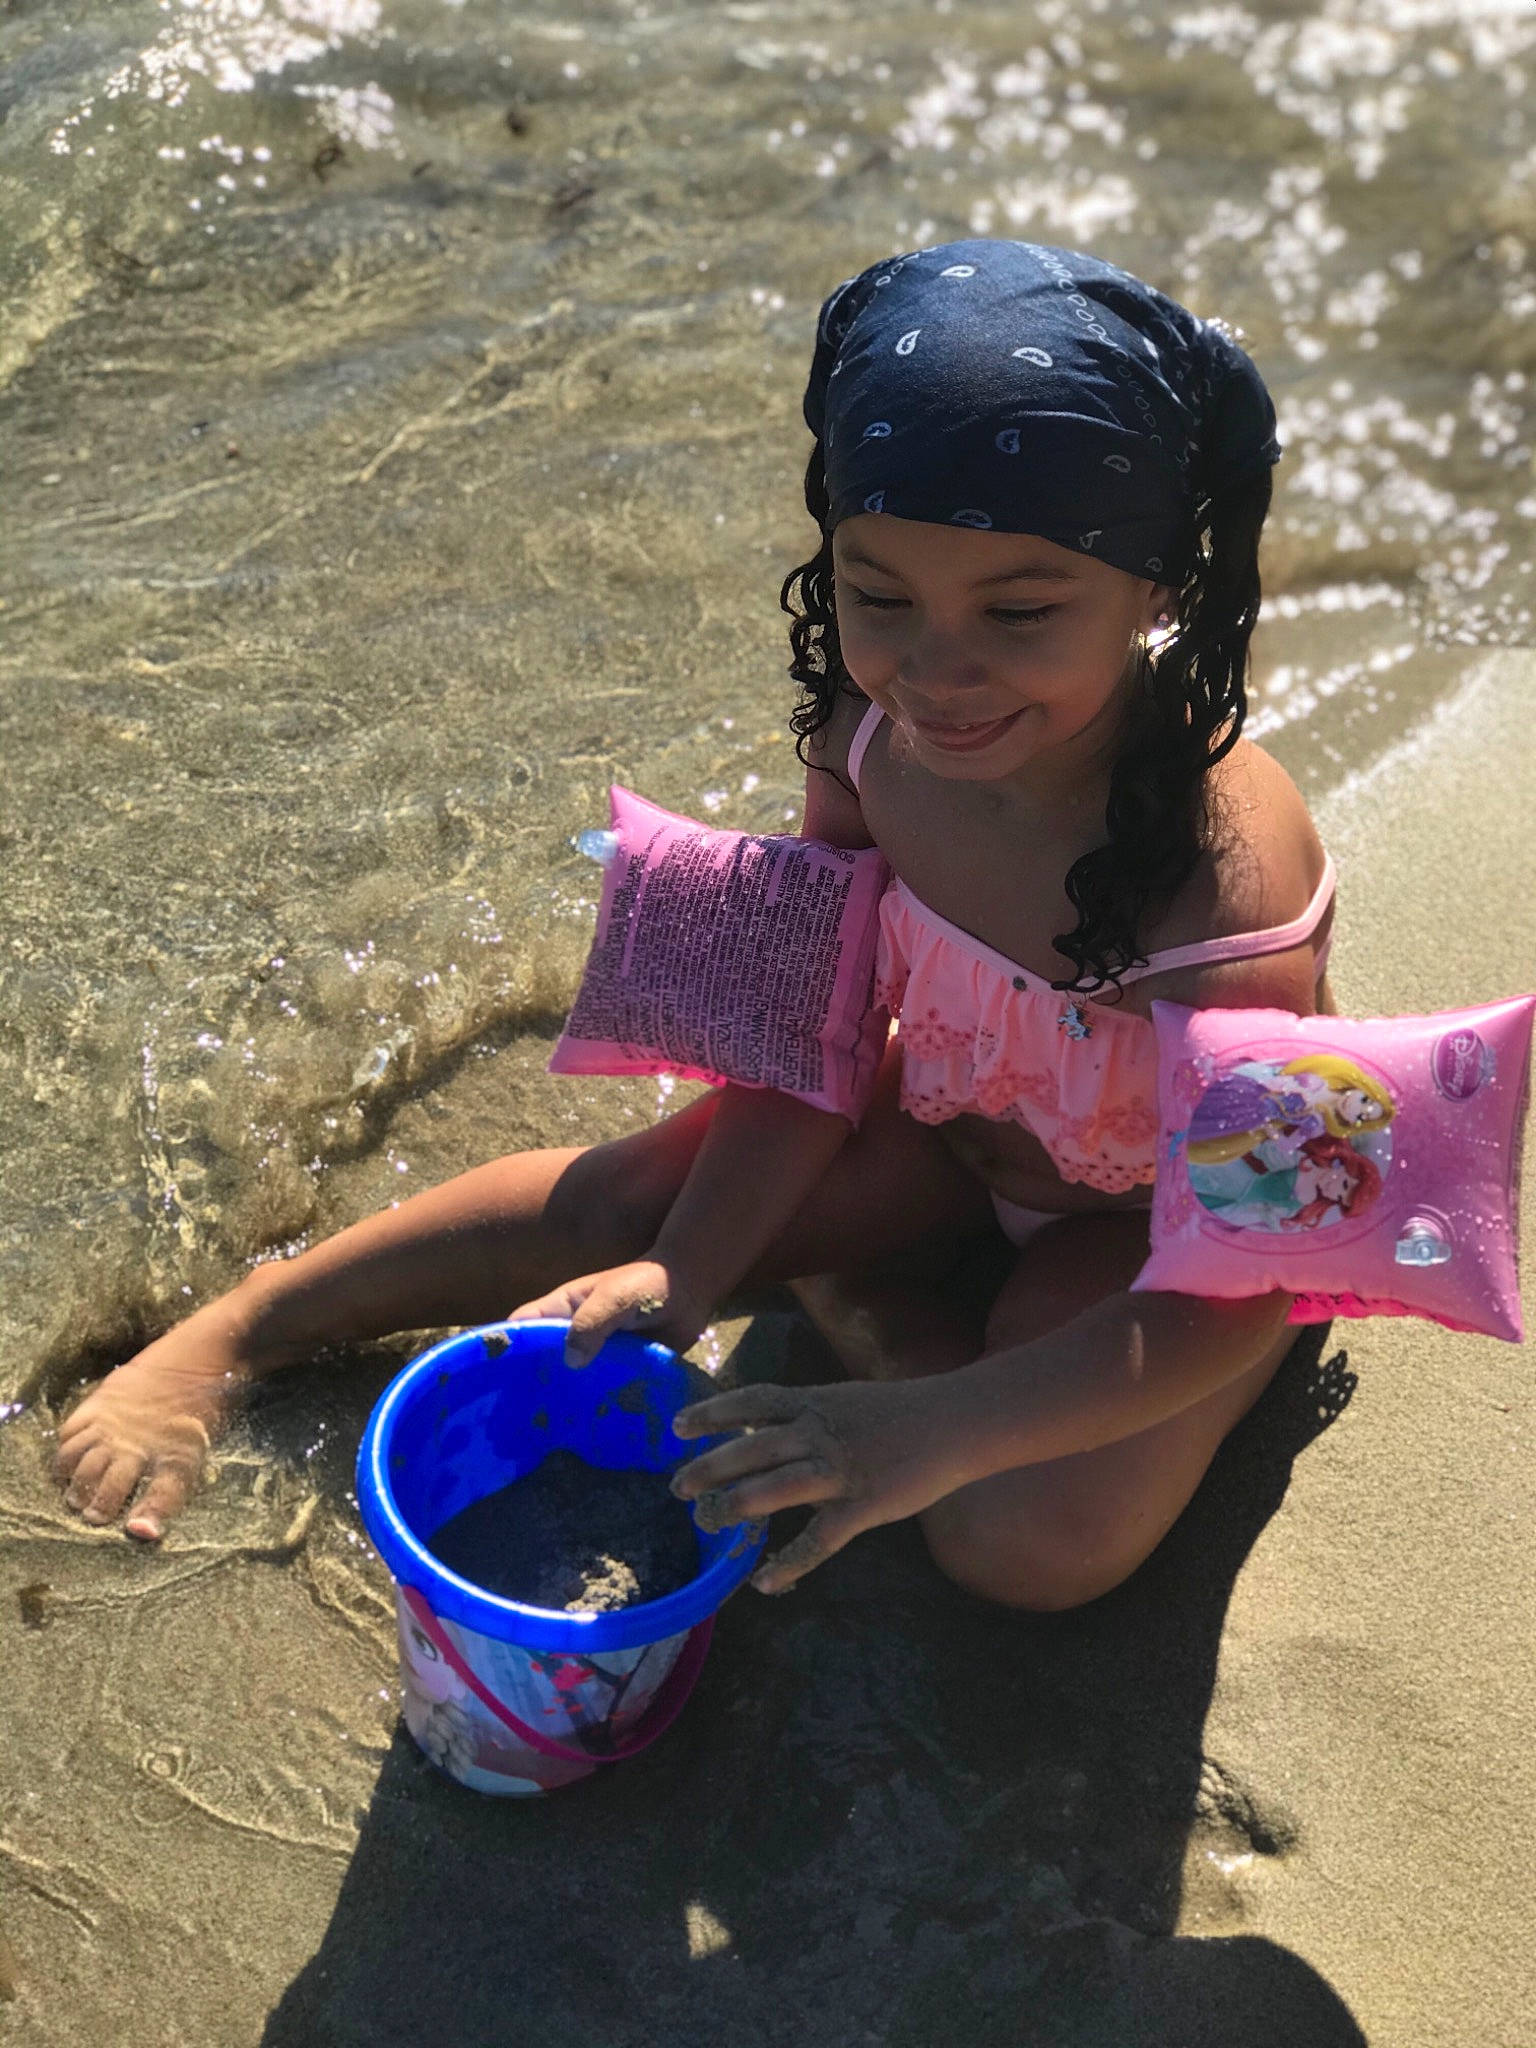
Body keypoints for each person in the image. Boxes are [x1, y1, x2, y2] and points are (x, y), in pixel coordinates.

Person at [53, 239, 1338, 1612]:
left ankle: (897, 1342)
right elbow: (820, 1022)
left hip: (1146, 1222)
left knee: (1026, 1545)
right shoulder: (876, 742)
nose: (936, 669)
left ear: (1159, 593)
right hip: (954, 1125)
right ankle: (238, 1326)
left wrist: (937, 1429)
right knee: (622, 1211)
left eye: (1021, 611)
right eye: (878, 594)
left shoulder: (1221, 893)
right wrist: (688, 1270)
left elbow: (1254, 1266)